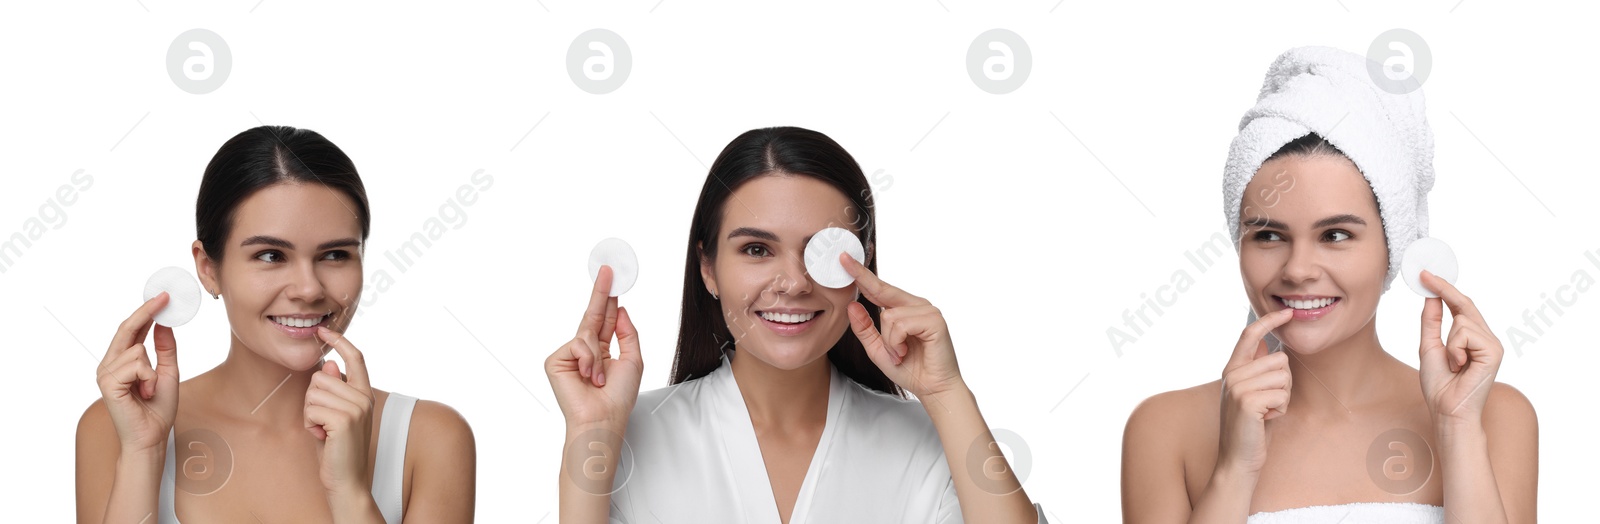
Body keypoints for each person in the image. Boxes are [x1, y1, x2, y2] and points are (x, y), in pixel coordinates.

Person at [546, 126, 1047, 523]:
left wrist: (946, 393)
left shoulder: (930, 440)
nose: (793, 282)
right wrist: (592, 431)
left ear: (862, 267)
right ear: (708, 268)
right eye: (757, 250)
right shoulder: (631, 438)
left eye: (822, 250)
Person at [1121, 47, 1537, 523]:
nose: (1298, 269)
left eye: (1335, 235)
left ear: (1394, 246)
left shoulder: (1492, 416)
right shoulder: (1165, 430)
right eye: (1269, 235)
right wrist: (1235, 470)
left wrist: (1457, 429)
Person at [76, 126, 476, 523]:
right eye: (270, 256)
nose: (308, 288)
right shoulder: (117, 428)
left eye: (335, 254)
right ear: (208, 268)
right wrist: (144, 452)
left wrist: (350, 492)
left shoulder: (430, 440)